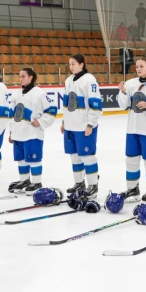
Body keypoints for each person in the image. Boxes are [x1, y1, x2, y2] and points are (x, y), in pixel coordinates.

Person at [117, 57, 146, 203]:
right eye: (137, 66)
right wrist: (123, 92)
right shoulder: (130, 83)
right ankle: (132, 188)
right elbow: (124, 106)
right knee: (131, 160)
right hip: (133, 129)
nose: (138, 69)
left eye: (142, 66)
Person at [7, 67, 58, 194]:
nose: (20, 79)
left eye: (23, 76)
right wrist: (11, 132)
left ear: (31, 77)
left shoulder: (39, 93)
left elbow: (52, 110)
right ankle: (24, 180)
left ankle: (36, 182)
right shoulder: (16, 94)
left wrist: (40, 121)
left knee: (34, 159)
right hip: (18, 132)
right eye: (19, 76)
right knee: (21, 158)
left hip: (33, 133)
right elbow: (13, 115)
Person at [61, 54, 103, 198]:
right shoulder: (68, 80)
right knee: (74, 157)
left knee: (87, 156)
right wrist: (63, 122)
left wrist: (91, 124)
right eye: (69, 64)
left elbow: (96, 104)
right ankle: (79, 183)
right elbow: (66, 104)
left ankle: (93, 185)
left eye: (74, 63)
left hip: (84, 126)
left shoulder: (89, 80)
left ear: (82, 64)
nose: (71, 66)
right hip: (71, 126)